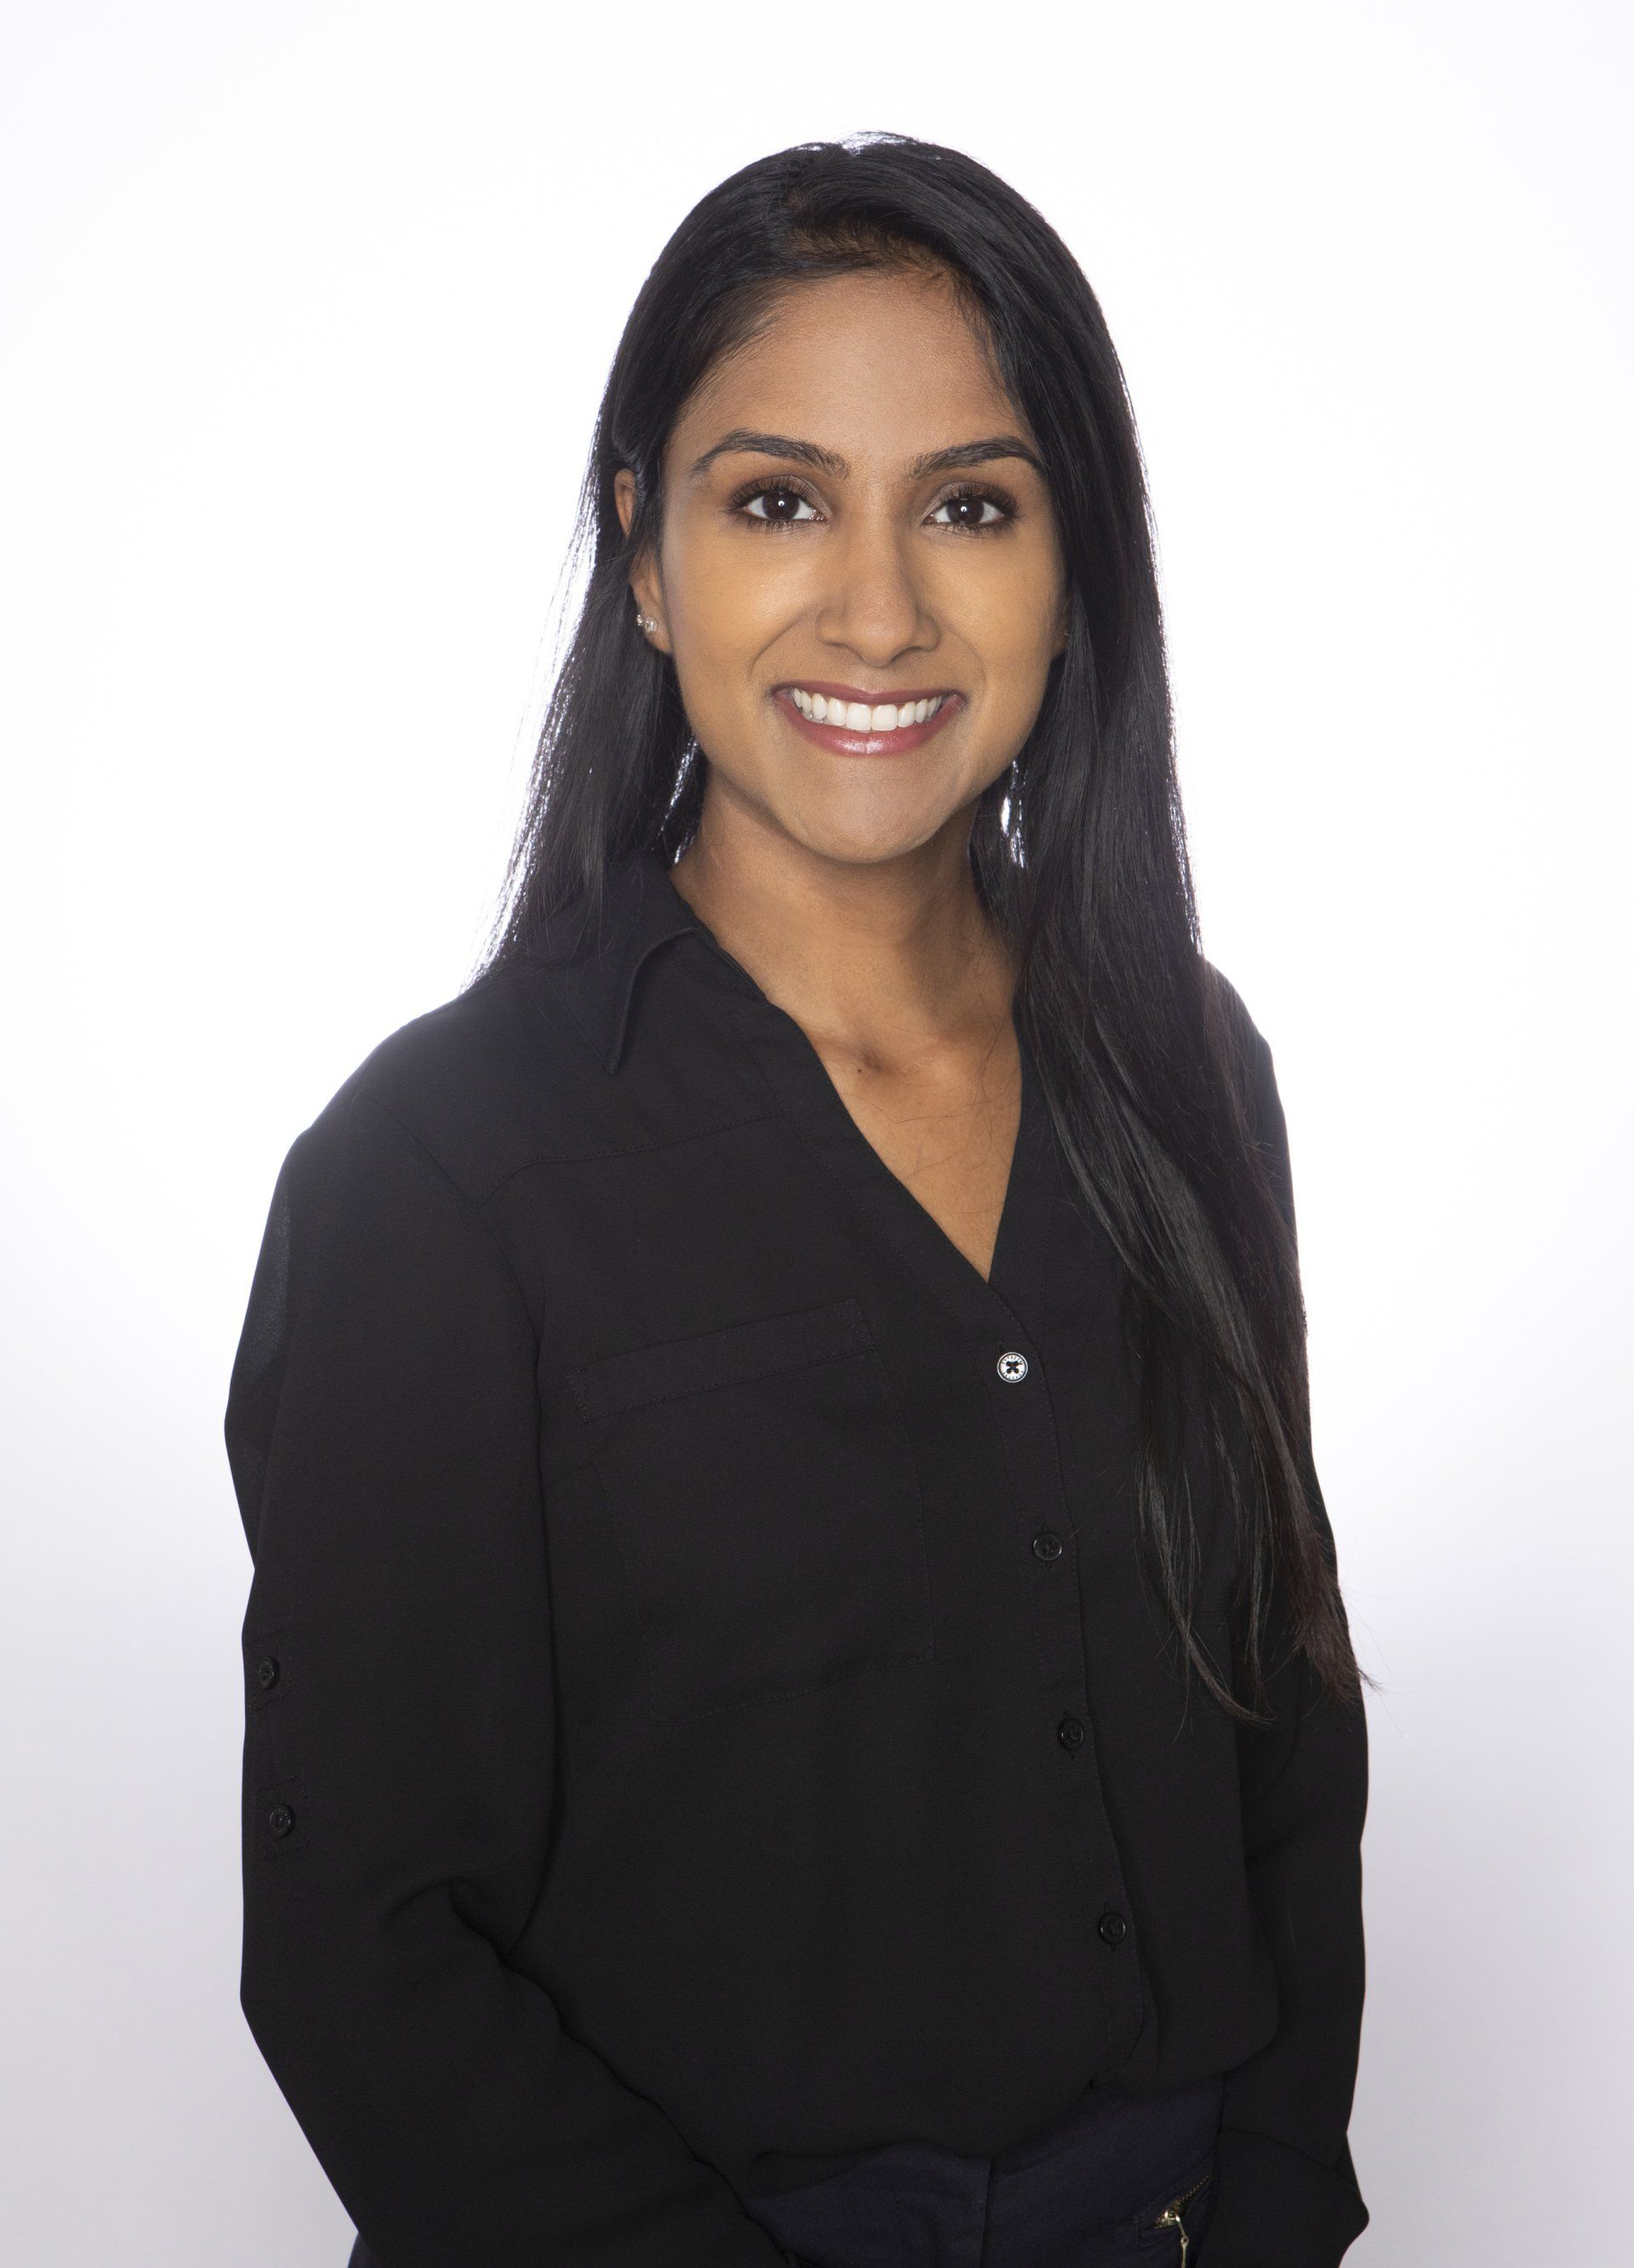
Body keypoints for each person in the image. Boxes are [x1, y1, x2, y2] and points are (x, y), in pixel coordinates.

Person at [225, 132, 1372, 2268]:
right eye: (776, 501)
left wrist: (1285, 2202)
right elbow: (367, 1952)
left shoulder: (1188, 1067)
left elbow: (1283, 1713)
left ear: (1076, 565)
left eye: (969, 503)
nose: (878, 606)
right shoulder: (439, 1179)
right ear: (645, 563)